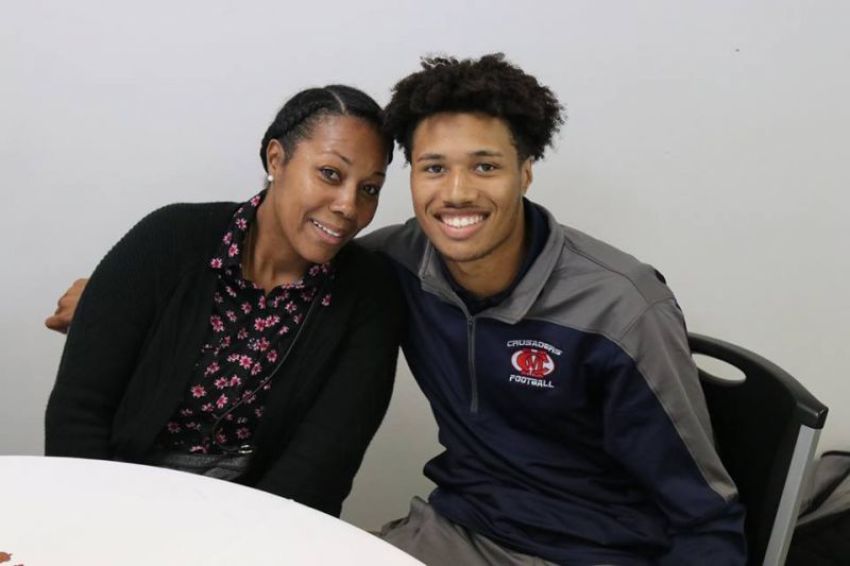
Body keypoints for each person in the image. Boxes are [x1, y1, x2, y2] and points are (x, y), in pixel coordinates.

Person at [47, 55, 747, 564]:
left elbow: (706, 515)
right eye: (434, 168)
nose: (457, 193)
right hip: (459, 532)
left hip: (603, 551)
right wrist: (109, 297)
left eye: (486, 166)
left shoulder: (620, 308)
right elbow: (124, 352)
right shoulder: (393, 264)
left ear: (526, 170)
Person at [44, 84, 404, 518]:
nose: (349, 205)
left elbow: (323, 465)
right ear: (277, 158)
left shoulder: (368, 294)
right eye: (330, 173)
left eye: (370, 189)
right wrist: (97, 522)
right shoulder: (168, 239)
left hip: (258, 521)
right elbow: (79, 411)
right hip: (115, 497)